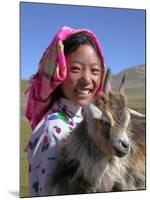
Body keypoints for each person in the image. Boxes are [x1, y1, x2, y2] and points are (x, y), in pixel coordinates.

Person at [25, 26, 105, 197]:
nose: (87, 79)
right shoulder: (55, 130)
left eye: (95, 70)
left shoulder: (83, 120)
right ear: (58, 72)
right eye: (75, 69)